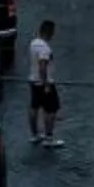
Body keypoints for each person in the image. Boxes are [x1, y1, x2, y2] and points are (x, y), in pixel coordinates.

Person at [27, 17, 62, 147]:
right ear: (50, 32)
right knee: (51, 110)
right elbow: (42, 67)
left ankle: (34, 135)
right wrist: (46, 84)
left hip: (33, 80)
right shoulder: (45, 49)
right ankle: (49, 138)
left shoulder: (34, 43)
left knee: (34, 107)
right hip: (44, 83)